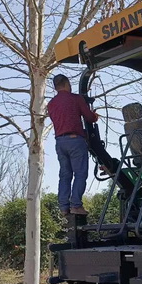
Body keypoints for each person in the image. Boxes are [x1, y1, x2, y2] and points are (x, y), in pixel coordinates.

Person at [47, 74, 98, 215]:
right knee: (80, 173)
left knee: (65, 174)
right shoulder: (75, 99)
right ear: (67, 83)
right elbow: (89, 117)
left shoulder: (51, 104)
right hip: (75, 140)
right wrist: (95, 116)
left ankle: (64, 206)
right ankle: (76, 205)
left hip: (60, 142)